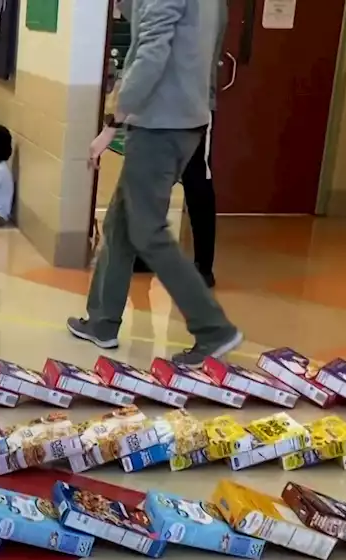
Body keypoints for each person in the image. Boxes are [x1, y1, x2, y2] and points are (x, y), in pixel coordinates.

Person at [70, 0, 240, 367]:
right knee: (120, 221)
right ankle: (102, 321)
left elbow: (151, 51)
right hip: (187, 117)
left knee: (148, 230)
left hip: (160, 124)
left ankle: (213, 328)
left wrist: (112, 123)